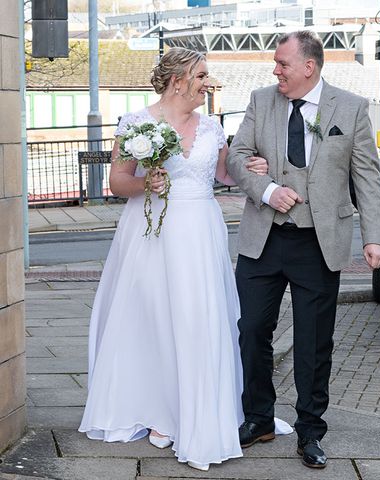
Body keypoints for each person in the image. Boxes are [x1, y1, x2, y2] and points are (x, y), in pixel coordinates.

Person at [78, 47, 272, 472]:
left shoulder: (211, 127)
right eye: (201, 75)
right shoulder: (137, 123)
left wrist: (249, 165)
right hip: (150, 234)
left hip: (200, 230)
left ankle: (194, 410)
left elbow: (222, 175)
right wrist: (147, 181)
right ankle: (158, 409)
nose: (207, 83)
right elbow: (117, 182)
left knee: (197, 318)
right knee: (153, 319)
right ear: (178, 80)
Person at [227, 31, 380, 469]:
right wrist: (266, 188)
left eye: (282, 63)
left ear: (308, 67)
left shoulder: (351, 108)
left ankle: (310, 431)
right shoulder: (262, 101)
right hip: (263, 240)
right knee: (251, 331)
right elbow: (236, 156)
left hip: (319, 243)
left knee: (314, 342)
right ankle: (258, 417)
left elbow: (367, 178)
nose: (275, 70)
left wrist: (376, 237)